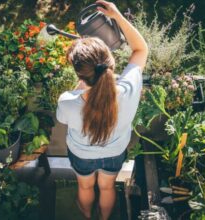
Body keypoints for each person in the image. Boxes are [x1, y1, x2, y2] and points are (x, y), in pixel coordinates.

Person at [56, 1, 148, 219]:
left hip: (81, 154)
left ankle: (88, 217)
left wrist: (82, 85)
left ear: (79, 74)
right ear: (110, 62)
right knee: (107, 188)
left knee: (86, 187)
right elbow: (141, 49)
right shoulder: (127, 90)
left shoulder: (67, 101)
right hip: (114, 152)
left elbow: (65, 117)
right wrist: (117, 16)